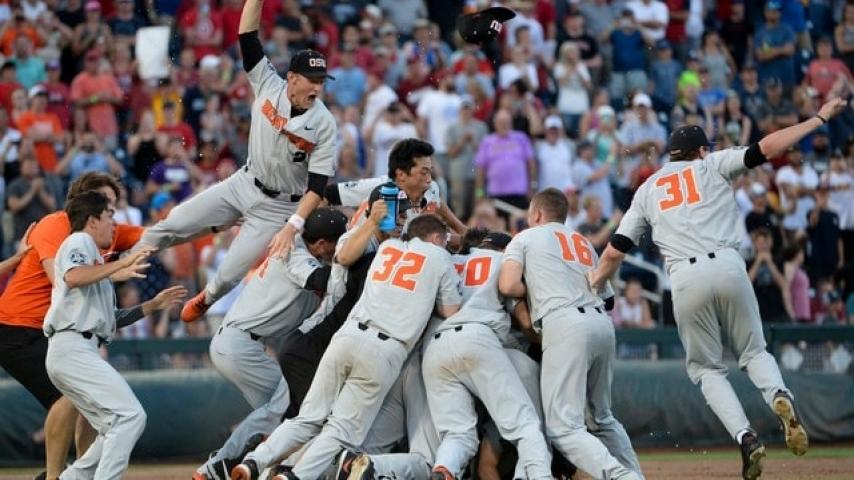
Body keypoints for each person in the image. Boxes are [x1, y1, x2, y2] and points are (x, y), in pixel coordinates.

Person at [588, 97, 850, 479]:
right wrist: (818, 119)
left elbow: (614, 252)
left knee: (707, 369)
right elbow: (769, 146)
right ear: (700, 151)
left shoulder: (648, 188)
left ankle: (745, 437)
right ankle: (779, 394)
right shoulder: (711, 164)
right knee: (754, 351)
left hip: (684, 278)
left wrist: (594, 283)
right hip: (728, 265)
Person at [134, 0, 338, 323]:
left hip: (280, 207)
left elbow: (317, 187)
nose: (317, 86)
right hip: (244, 182)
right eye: (311, 79)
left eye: (321, 80)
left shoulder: (324, 123)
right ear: (292, 78)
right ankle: (126, 255)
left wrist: (292, 226)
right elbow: (247, 35)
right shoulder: (268, 82)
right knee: (176, 221)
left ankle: (205, 299)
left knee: (228, 275)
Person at [232, 214, 461, 480]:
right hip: (384, 348)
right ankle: (295, 476)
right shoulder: (439, 256)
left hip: (347, 336)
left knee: (307, 418)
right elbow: (451, 311)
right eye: (444, 239)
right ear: (436, 237)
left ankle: (254, 461)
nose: (446, 244)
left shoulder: (388, 248)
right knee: (341, 431)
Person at [0, 172, 144, 480]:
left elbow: (158, 233)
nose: (113, 213)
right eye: (106, 204)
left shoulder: (104, 233)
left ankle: (80, 472)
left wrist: (214, 222)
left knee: (89, 400)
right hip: (18, 326)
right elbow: (64, 281)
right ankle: (55, 476)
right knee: (67, 397)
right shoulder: (57, 226)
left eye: (113, 205)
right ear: (87, 208)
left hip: (51, 330)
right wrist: (115, 269)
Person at [499, 188, 643, 480]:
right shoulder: (582, 242)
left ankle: (621, 476)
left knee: (563, 428)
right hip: (601, 322)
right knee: (602, 418)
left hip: (564, 323)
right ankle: (634, 475)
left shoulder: (525, 237)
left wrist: (537, 287)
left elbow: (508, 285)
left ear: (537, 214)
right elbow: (608, 298)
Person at [195, 208, 346, 480]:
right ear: (322, 243)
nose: (339, 248)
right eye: (337, 242)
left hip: (244, 343)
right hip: (239, 343)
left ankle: (258, 468)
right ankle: (219, 465)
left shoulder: (304, 247)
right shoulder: (293, 250)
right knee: (283, 406)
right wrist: (349, 262)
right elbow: (320, 280)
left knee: (285, 415)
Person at [43, 190, 185, 479]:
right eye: (109, 216)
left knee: (113, 427)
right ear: (92, 220)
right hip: (72, 347)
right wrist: (120, 264)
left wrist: (152, 306)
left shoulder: (96, 263)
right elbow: (73, 276)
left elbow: (110, 319)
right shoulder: (79, 240)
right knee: (131, 416)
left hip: (76, 347)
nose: (114, 224)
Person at [421, 232, 552, 480]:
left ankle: (444, 469)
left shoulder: (447, 260)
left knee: (457, 435)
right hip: (478, 338)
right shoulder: (502, 262)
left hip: (434, 346)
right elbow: (526, 322)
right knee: (525, 425)